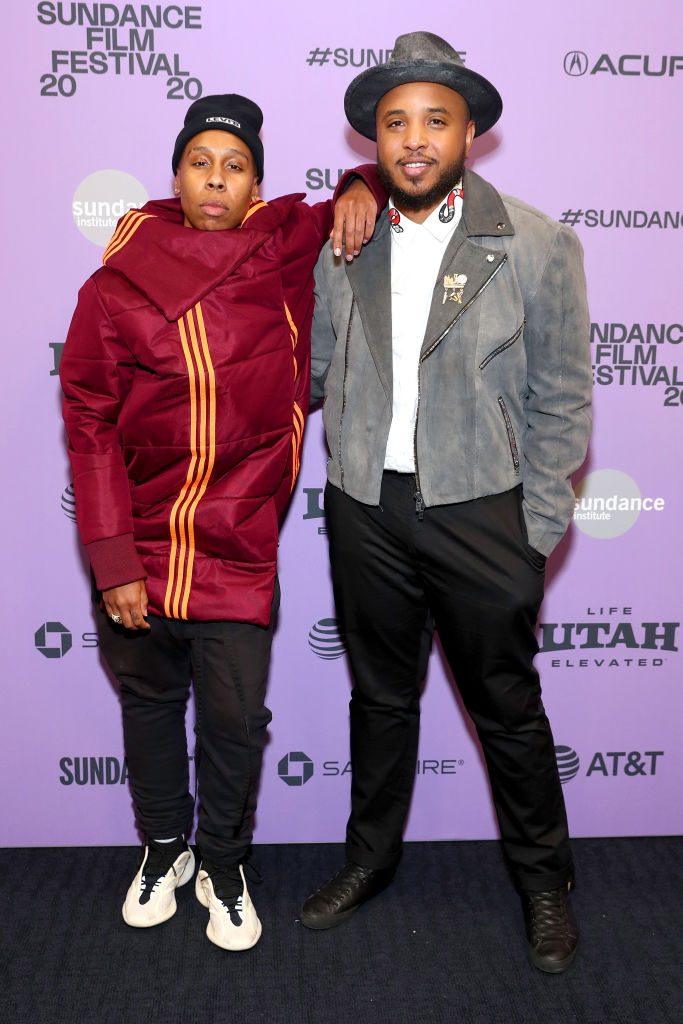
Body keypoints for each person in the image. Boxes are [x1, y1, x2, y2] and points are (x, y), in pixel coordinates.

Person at [60, 93, 383, 951]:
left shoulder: (283, 247)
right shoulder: (114, 283)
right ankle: (165, 847)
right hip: (139, 544)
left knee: (237, 721)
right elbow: (88, 421)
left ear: (255, 185)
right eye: (200, 161)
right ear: (175, 175)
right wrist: (110, 557)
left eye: (234, 166)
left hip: (239, 544)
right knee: (151, 705)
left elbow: (393, 174)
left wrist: (356, 181)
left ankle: (224, 861)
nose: (215, 177)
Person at [300, 33, 592, 974]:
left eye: (434, 120)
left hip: (483, 513)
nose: (413, 140)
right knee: (380, 702)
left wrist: (530, 531)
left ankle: (544, 883)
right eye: (393, 124)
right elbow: (311, 366)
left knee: (507, 709)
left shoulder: (538, 242)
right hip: (365, 512)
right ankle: (369, 862)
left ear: (471, 133)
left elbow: (563, 396)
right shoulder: (344, 237)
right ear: (372, 143)